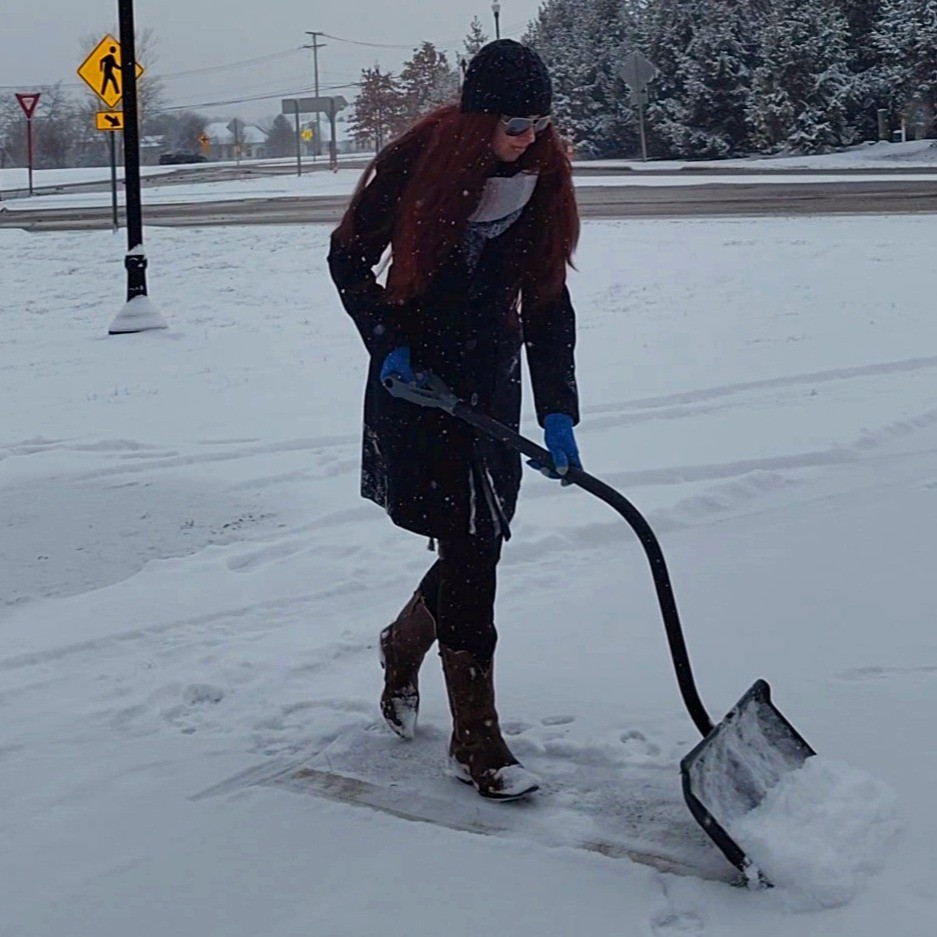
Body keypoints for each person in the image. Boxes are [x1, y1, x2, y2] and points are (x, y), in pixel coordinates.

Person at [328, 39, 582, 801]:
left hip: (489, 386)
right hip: (418, 387)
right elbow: (347, 259)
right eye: (514, 121)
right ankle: (476, 738)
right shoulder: (417, 165)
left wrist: (559, 410)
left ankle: (402, 643)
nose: (529, 134)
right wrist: (389, 343)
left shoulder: (542, 180)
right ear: (478, 120)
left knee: (480, 540)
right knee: (470, 545)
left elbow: (545, 302)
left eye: (540, 119)